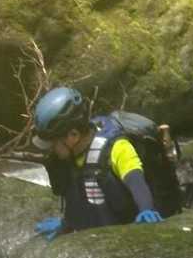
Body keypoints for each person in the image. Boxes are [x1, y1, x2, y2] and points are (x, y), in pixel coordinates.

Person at [31, 87, 168, 241]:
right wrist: (67, 223)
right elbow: (80, 196)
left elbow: (134, 178)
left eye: (53, 143)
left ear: (73, 135)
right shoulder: (69, 156)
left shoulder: (116, 147)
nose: (50, 149)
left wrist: (146, 208)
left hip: (124, 234)